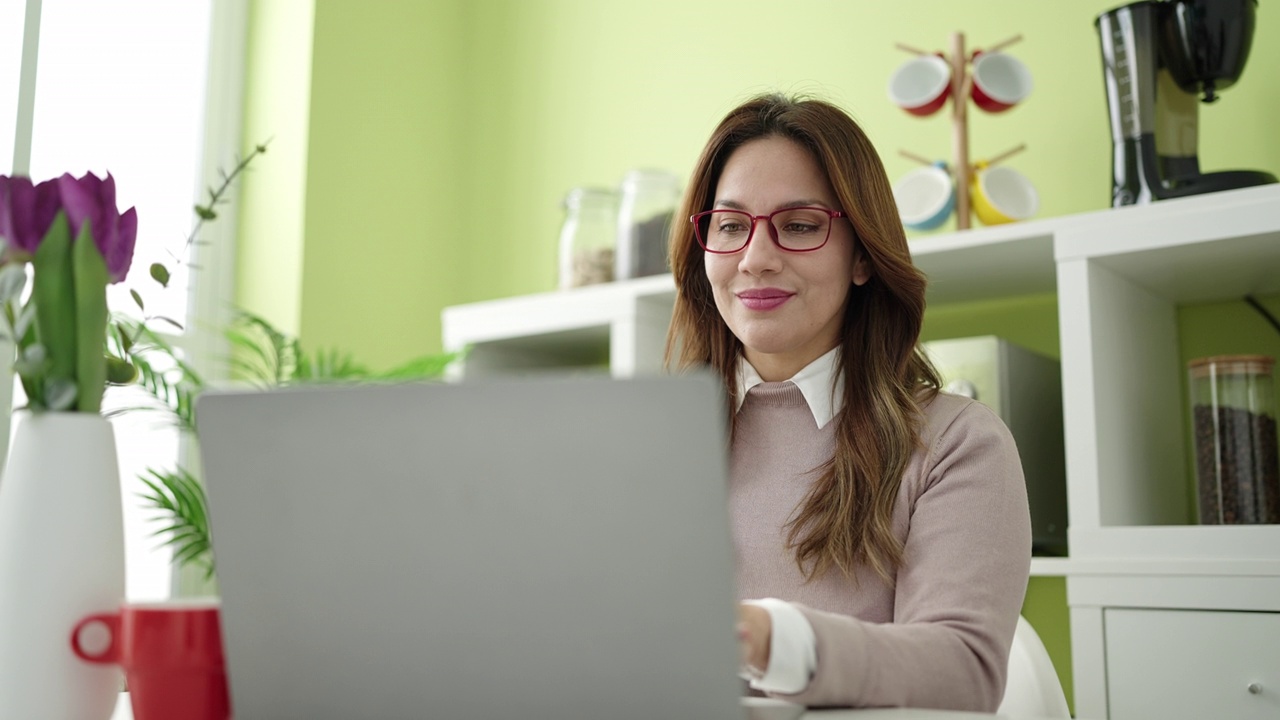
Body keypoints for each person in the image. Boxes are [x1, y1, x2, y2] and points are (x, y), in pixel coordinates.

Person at [664, 93, 1031, 712]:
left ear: (862, 254)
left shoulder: (955, 444)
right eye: (729, 226)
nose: (755, 258)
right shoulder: (655, 445)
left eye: (800, 225)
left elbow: (962, 671)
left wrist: (769, 637)